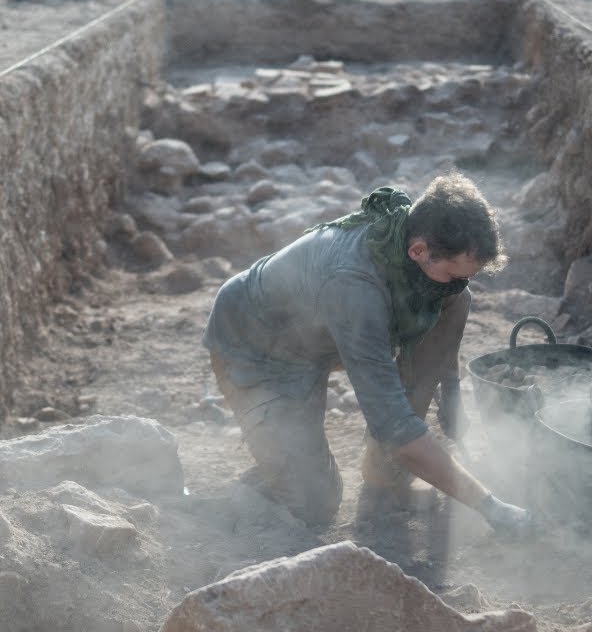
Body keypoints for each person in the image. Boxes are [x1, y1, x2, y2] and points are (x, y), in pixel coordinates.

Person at [202, 172, 534, 538]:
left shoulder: (418, 254)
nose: (459, 284)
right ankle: (262, 474)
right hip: (256, 347)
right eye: (454, 274)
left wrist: (452, 396)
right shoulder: (355, 288)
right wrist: (490, 506)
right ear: (418, 250)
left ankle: (386, 470)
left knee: (454, 303)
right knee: (315, 504)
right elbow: (391, 422)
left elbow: (447, 317)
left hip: (317, 338)